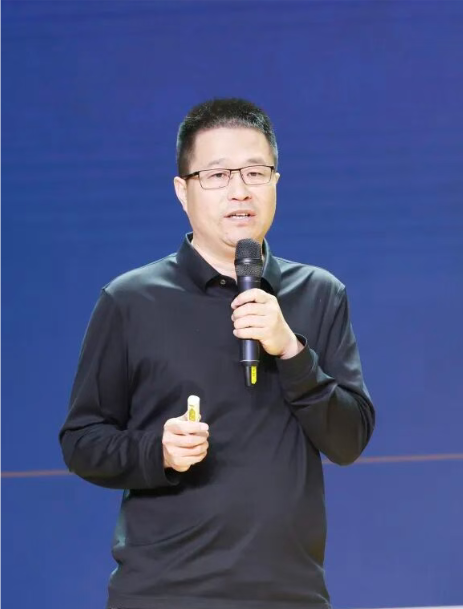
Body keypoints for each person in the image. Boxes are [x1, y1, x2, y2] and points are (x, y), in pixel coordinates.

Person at [59, 98, 375, 609]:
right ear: (182, 190)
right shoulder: (130, 300)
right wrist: (157, 452)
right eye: (217, 175)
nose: (239, 190)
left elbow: (348, 440)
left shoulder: (319, 293)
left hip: (289, 593)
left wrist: (291, 350)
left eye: (255, 172)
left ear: (275, 182)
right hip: (164, 594)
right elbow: (81, 441)